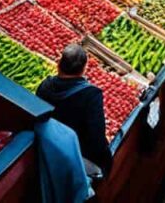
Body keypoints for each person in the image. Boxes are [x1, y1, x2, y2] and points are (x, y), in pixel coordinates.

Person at [37, 44, 112, 177]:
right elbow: (96, 136)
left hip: (44, 148)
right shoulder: (91, 95)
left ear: (59, 64)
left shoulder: (45, 86)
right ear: (83, 69)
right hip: (73, 158)